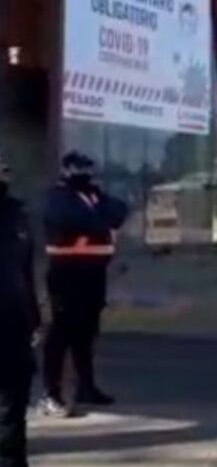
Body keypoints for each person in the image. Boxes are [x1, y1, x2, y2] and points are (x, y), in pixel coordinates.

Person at [39, 152, 128, 417]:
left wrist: (98, 219)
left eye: (88, 169)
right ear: (67, 170)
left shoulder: (94, 196)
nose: (86, 174)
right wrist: (99, 221)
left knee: (86, 334)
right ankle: (51, 393)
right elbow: (74, 220)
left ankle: (86, 387)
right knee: (61, 334)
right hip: (67, 274)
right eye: (80, 169)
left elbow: (119, 211)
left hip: (94, 274)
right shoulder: (57, 197)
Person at [0, 155, 39, 467]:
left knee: (11, 418)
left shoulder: (18, 216)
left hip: (13, 328)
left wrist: (34, 319)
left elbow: (25, 274)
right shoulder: (17, 218)